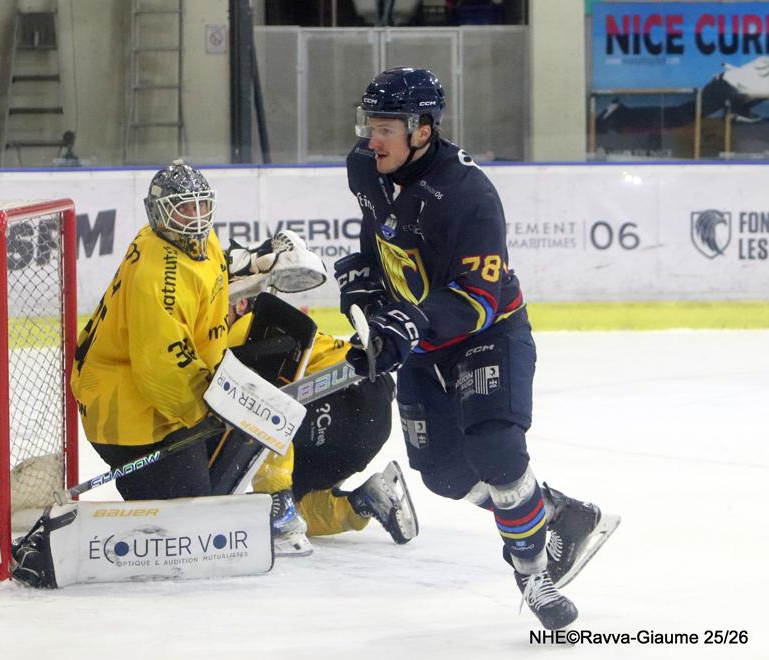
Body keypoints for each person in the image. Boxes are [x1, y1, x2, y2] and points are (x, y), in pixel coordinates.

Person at [335, 67, 619, 630]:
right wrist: (366, 285)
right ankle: (555, 511)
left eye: (386, 128)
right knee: (443, 474)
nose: (373, 139)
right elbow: (379, 230)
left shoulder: (468, 195)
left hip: (487, 333)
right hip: (423, 340)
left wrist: (408, 324)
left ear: (422, 130)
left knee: (496, 449)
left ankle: (533, 573)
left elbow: (479, 296)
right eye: (370, 125)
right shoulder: (364, 165)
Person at [70, 159, 227, 501]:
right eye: (183, 209)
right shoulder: (156, 279)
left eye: (201, 205)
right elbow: (161, 368)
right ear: (158, 213)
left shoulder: (197, 242)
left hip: (154, 402)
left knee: (214, 480)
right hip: (127, 416)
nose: (196, 217)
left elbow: (204, 289)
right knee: (187, 511)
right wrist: (209, 410)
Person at [222, 290, 418, 556]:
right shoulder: (271, 326)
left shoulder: (249, 327)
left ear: (241, 303)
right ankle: (363, 502)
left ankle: (277, 499)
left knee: (253, 403)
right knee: (301, 508)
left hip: (345, 395)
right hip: (370, 419)